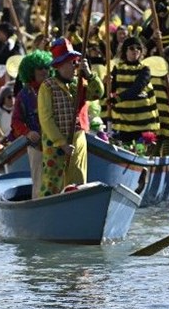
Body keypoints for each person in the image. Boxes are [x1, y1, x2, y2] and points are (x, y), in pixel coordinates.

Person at [37, 38, 104, 197]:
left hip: (77, 138)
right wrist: (61, 143)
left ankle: (77, 209)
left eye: (75, 61)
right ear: (59, 66)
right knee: (52, 184)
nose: (75, 65)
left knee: (78, 183)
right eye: (70, 62)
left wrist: (89, 74)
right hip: (55, 143)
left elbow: (98, 93)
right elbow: (46, 119)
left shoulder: (79, 83)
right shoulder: (47, 86)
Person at [9, 50, 51, 197]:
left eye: (46, 67)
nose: (44, 71)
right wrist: (28, 132)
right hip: (36, 145)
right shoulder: (24, 95)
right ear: (31, 71)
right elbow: (16, 121)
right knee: (39, 182)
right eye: (40, 68)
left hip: (57, 144)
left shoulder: (55, 89)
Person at [108, 35, 160, 143]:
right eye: (132, 48)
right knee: (126, 148)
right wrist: (106, 83)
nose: (135, 50)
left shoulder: (145, 69)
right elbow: (111, 90)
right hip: (124, 123)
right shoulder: (117, 68)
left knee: (141, 151)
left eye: (138, 48)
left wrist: (117, 98)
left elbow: (137, 88)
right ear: (125, 51)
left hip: (143, 123)